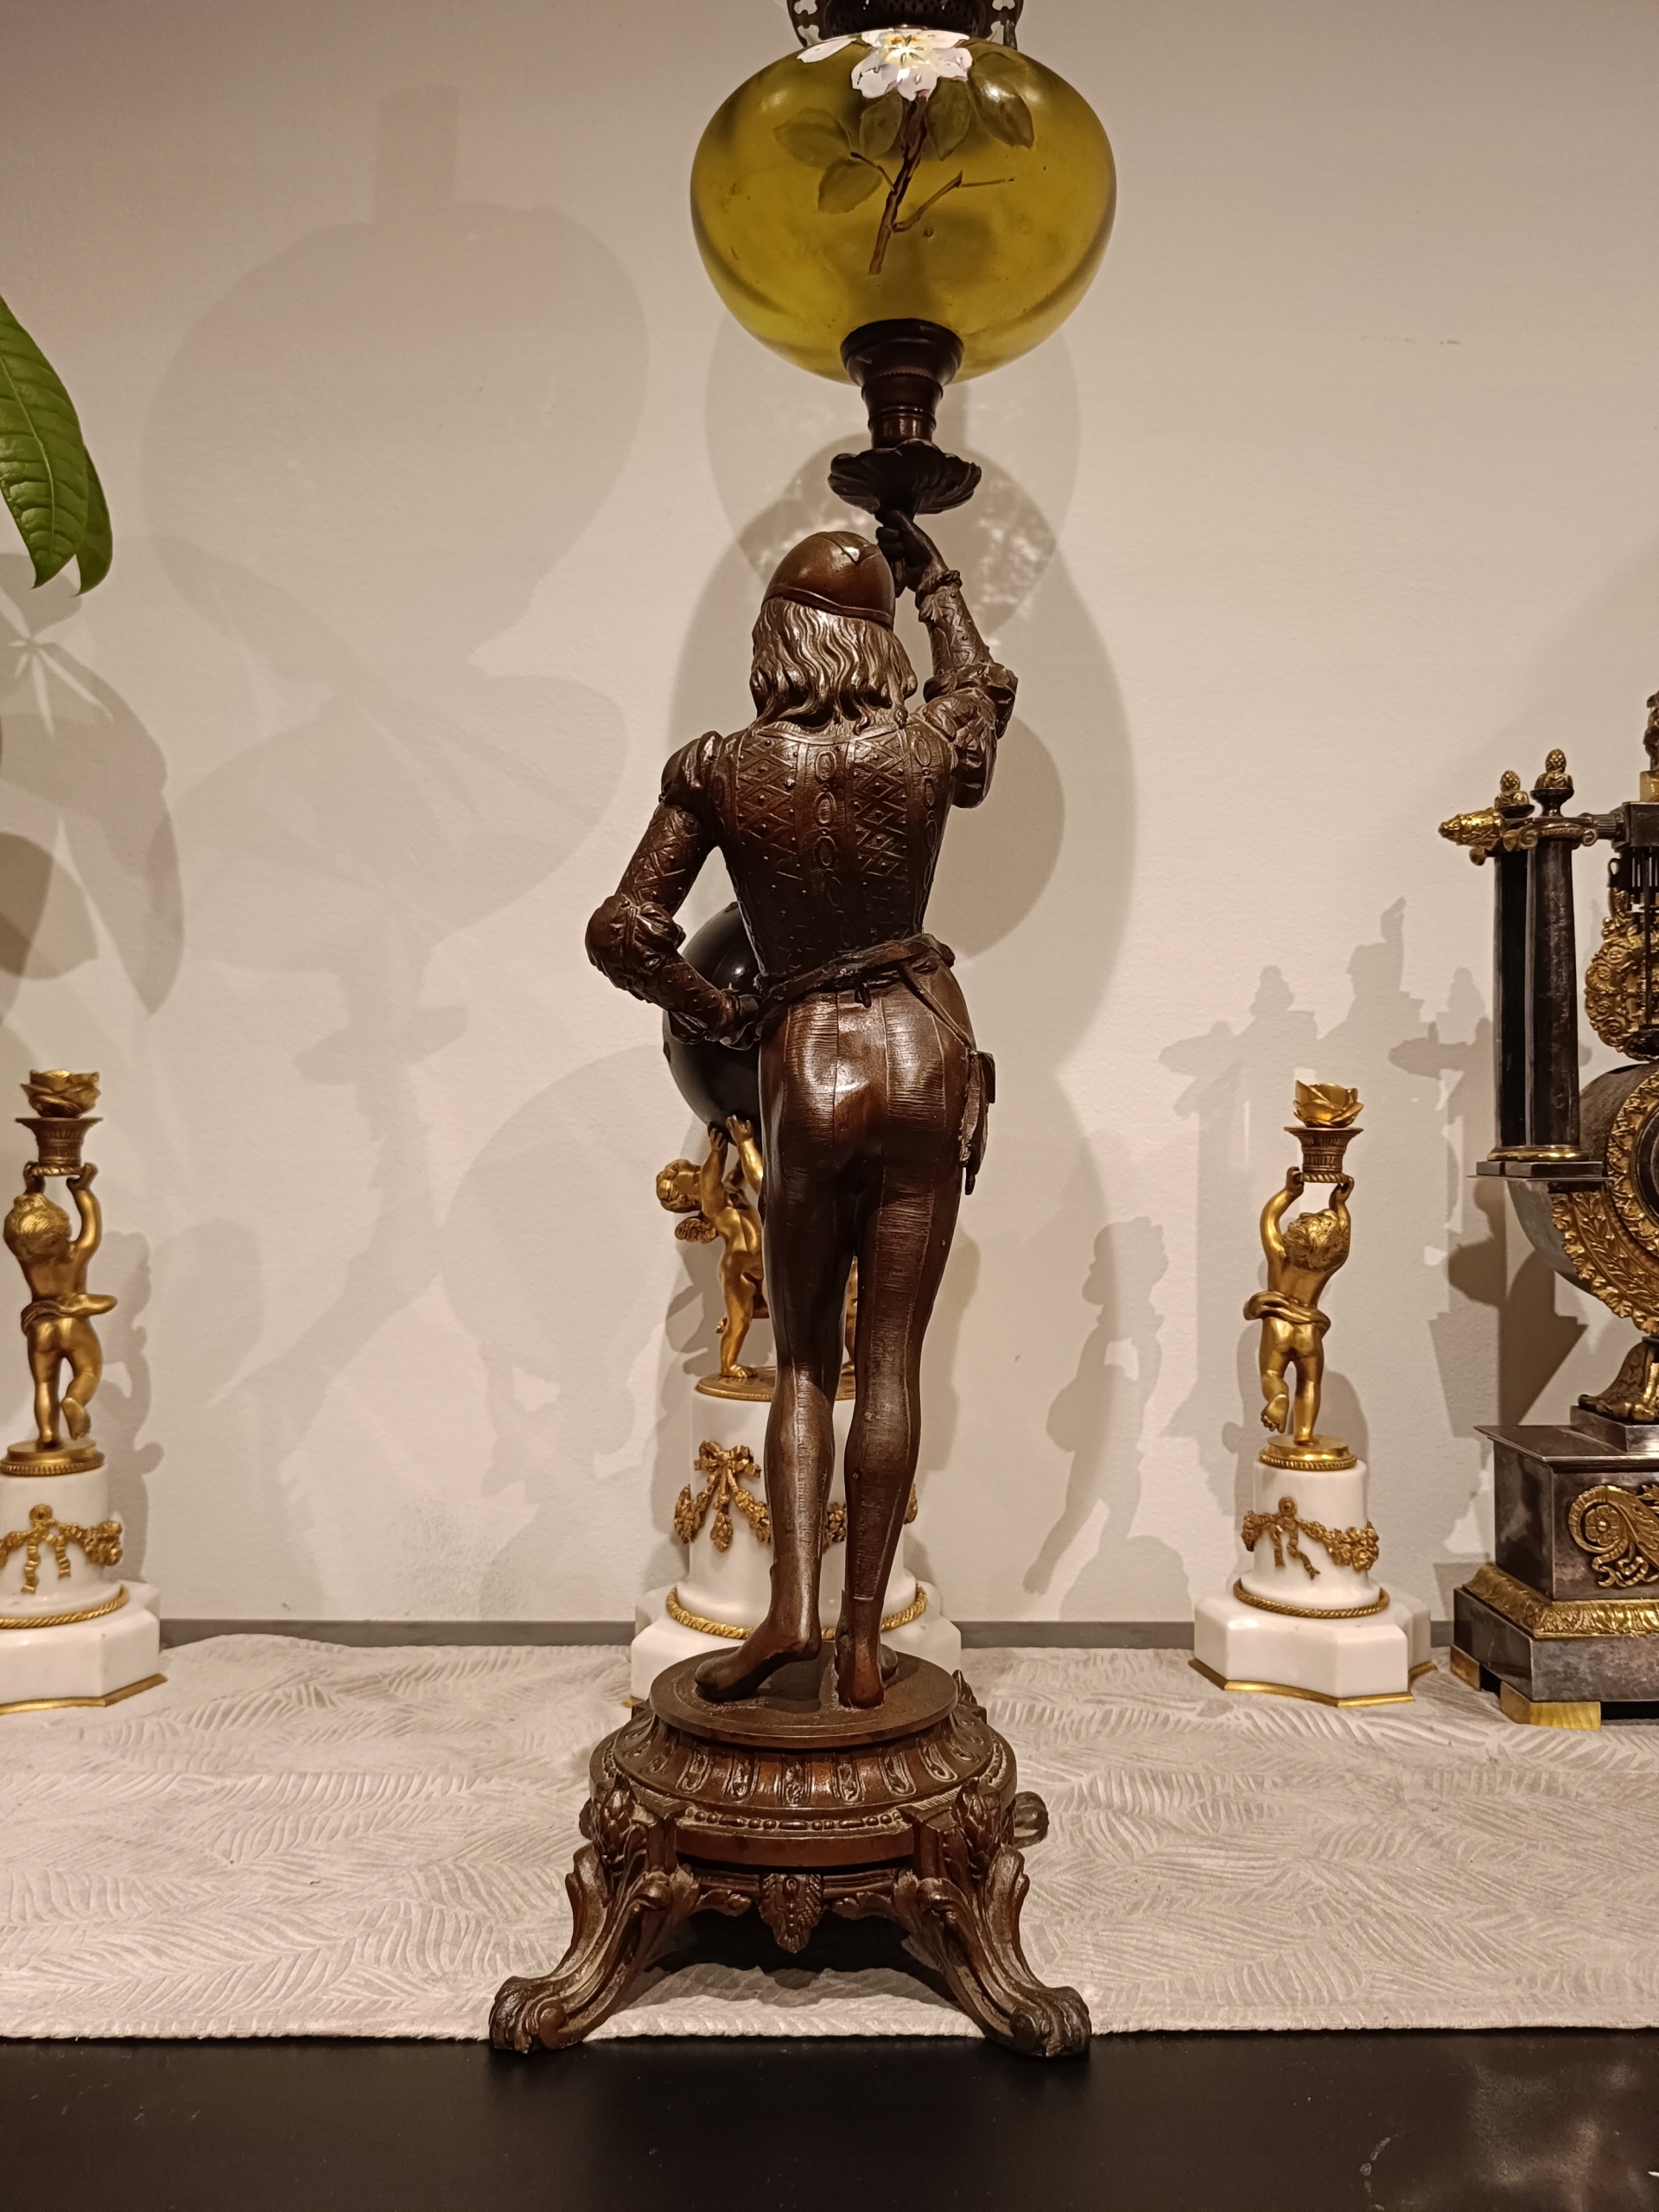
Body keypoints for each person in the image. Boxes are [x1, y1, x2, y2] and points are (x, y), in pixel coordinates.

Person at [587, 513, 1013, 1704]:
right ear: (877, 641)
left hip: (807, 1056)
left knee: (805, 1365)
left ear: (775, 636)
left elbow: (622, 931)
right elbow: (980, 696)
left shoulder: (723, 767)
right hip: (924, 1043)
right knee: (894, 1363)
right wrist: (939, 584)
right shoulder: (926, 743)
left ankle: (790, 1616)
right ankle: (866, 1643)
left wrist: (719, 1015)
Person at [3, 1164, 116, 1452]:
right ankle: (74, 1400)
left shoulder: (28, 1258)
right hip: (72, 1325)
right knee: (88, 1371)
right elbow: (92, 1227)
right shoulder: (75, 1254)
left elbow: (18, 1231)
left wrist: (32, 1190)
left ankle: (47, 1434)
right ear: (60, 1229)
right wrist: (82, 1191)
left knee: (44, 1384)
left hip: (40, 1327)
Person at [1243, 1166, 1353, 1446]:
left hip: (1278, 1326)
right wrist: (1339, 1206)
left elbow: (1268, 1219)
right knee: (1309, 1383)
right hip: (1308, 1331)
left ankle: (1278, 1395)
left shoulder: (1280, 1255)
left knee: (1271, 1374)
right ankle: (1305, 1434)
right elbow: (1344, 1240)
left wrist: (1289, 1193)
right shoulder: (1326, 1267)